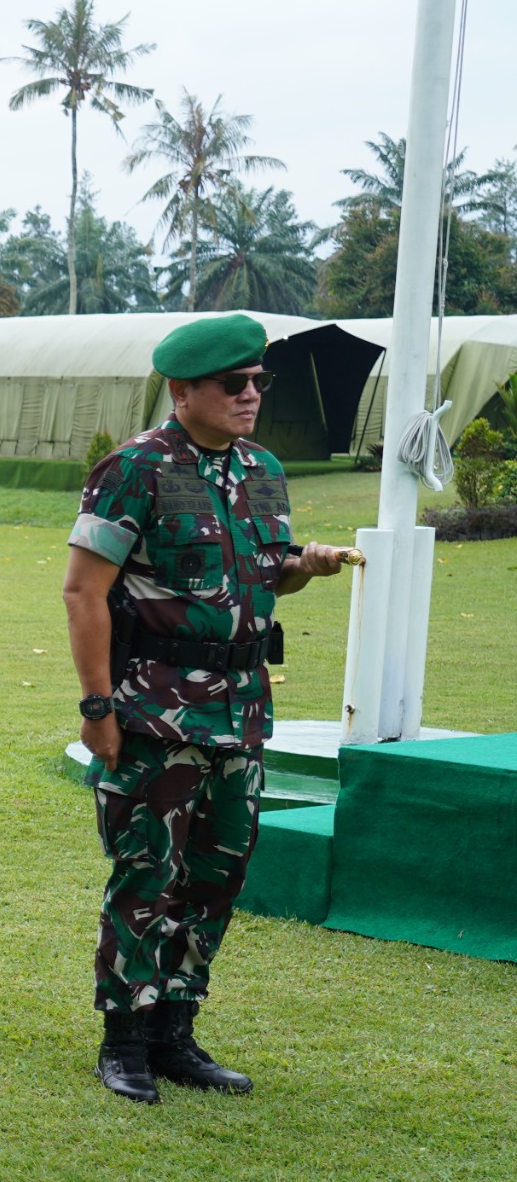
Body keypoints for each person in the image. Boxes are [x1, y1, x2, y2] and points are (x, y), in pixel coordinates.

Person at [61, 314, 352, 1101]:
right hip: (156, 711)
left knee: (218, 875)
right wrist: (97, 707)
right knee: (146, 873)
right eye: (234, 384)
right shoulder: (135, 469)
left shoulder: (262, 469)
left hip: (242, 713)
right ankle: (124, 1037)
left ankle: (175, 1031)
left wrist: (304, 566)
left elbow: (265, 572)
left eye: (259, 381)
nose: (251, 394)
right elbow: (85, 591)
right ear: (183, 391)